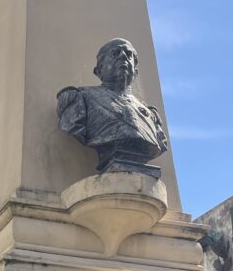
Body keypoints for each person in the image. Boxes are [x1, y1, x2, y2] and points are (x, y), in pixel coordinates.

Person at [57, 38, 168, 175]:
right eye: (115, 53)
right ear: (99, 71)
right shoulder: (81, 98)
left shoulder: (151, 115)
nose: (123, 56)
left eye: (129, 54)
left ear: (136, 72)